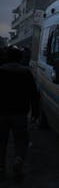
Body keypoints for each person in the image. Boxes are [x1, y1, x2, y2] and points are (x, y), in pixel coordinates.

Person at [0, 46, 38, 180]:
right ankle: (18, 159)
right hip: (20, 114)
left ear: (6, 57)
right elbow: (34, 95)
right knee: (21, 140)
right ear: (20, 58)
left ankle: (1, 168)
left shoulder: (1, 71)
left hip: (2, 114)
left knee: (2, 142)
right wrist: (35, 113)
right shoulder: (26, 73)